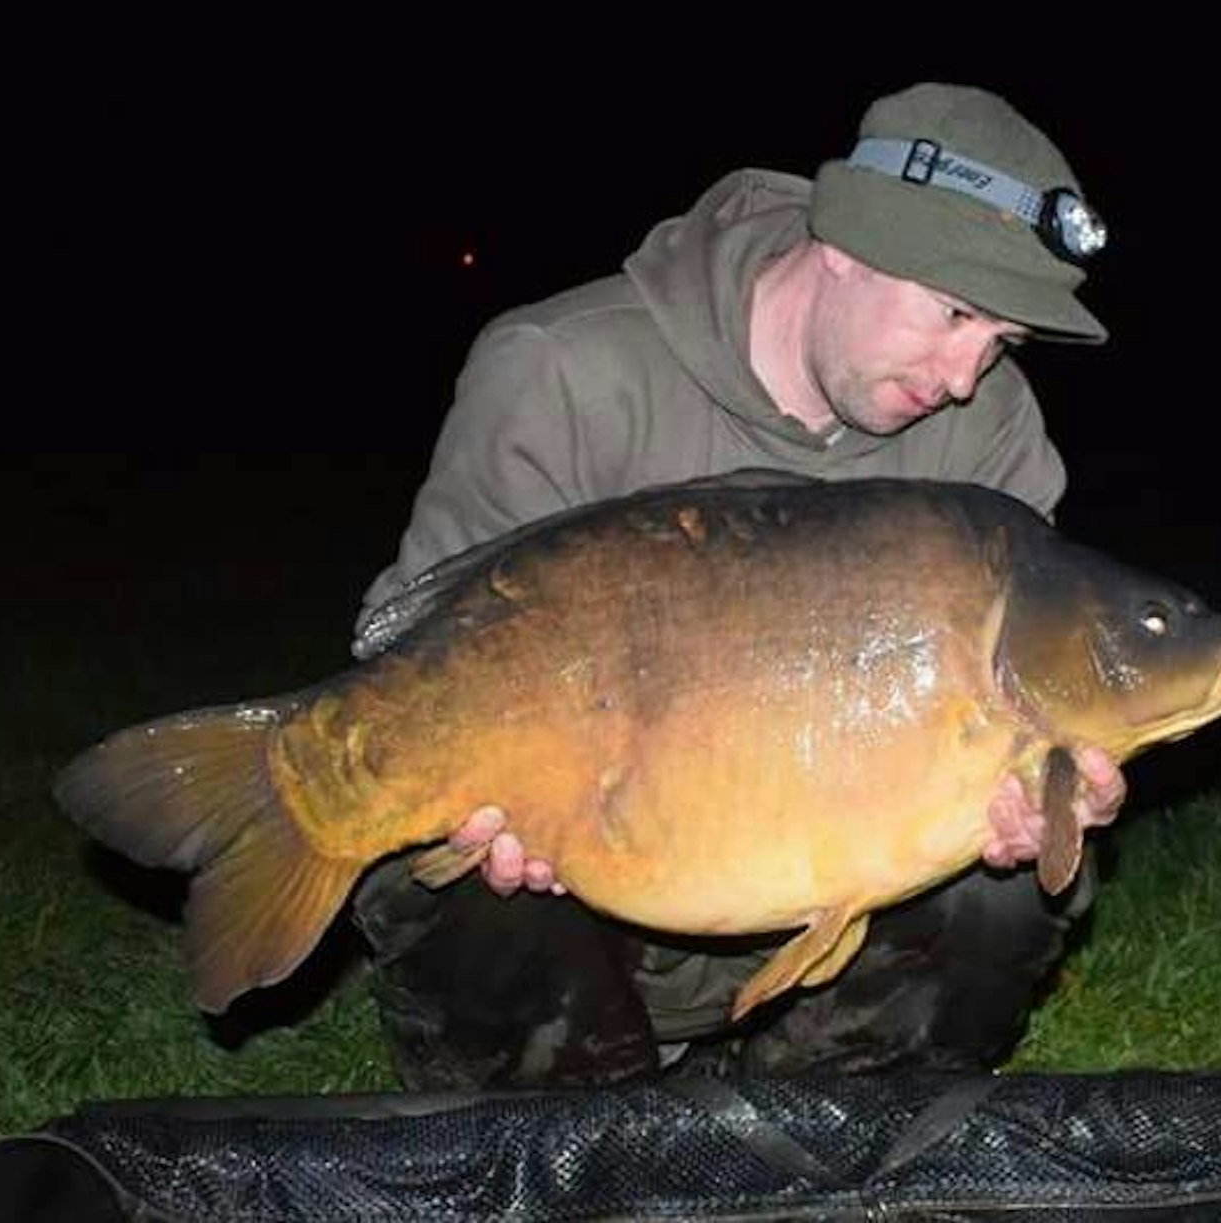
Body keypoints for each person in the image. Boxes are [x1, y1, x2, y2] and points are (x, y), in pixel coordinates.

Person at [351, 82, 1126, 1090]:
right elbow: (411, 658)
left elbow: (1042, 681)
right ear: (846, 243)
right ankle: (572, 1114)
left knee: (1013, 889)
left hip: (824, 894)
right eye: (955, 313)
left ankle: (811, 1123)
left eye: (1000, 343)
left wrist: (1052, 796)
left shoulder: (990, 436)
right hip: (585, 884)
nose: (964, 376)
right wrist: (481, 792)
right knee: (420, 846)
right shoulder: (564, 371)